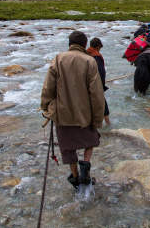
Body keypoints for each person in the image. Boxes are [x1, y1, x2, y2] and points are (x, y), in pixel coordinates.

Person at [40, 31, 105, 189]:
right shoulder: (90, 61)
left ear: (70, 44)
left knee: (67, 147)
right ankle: (85, 166)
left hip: (63, 114)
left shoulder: (58, 59)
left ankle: (76, 178)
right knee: (91, 139)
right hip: (85, 114)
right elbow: (96, 93)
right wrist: (97, 118)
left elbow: (48, 87)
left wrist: (45, 107)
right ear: (84, 45)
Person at [87, 37, 111, 125]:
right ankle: (108, 123)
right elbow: (101, 72)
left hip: (84, 84)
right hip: (95, 85)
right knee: (102, 103)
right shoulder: (96, 56)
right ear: (98, 47)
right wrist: (102, 87)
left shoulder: (85, 54)